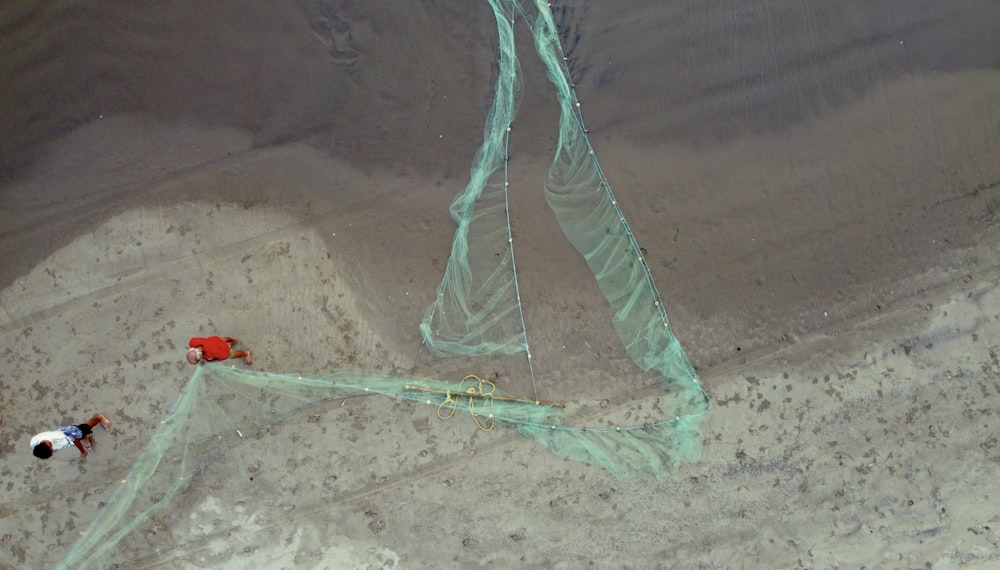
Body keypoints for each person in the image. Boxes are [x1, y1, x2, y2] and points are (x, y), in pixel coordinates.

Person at [31, 414, 112, 460]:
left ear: (49, 445)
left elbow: (76, 441)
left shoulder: (59, 438)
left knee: (86, 427)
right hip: (65, 435)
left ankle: (100, 418)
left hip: (72, 433)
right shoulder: (34, 442)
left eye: (52, 451)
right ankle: (85, 437)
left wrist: (82, 451)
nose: (53, 452)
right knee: (81, 435)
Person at [187, 336, 252, 366]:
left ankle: (246, 354)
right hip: (214, 340)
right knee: (223, 340)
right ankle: (234, 340)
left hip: (221, 349)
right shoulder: (192, 342)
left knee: (232, 355)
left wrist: (208, 361)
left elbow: (222, 358)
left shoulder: (212, 352)